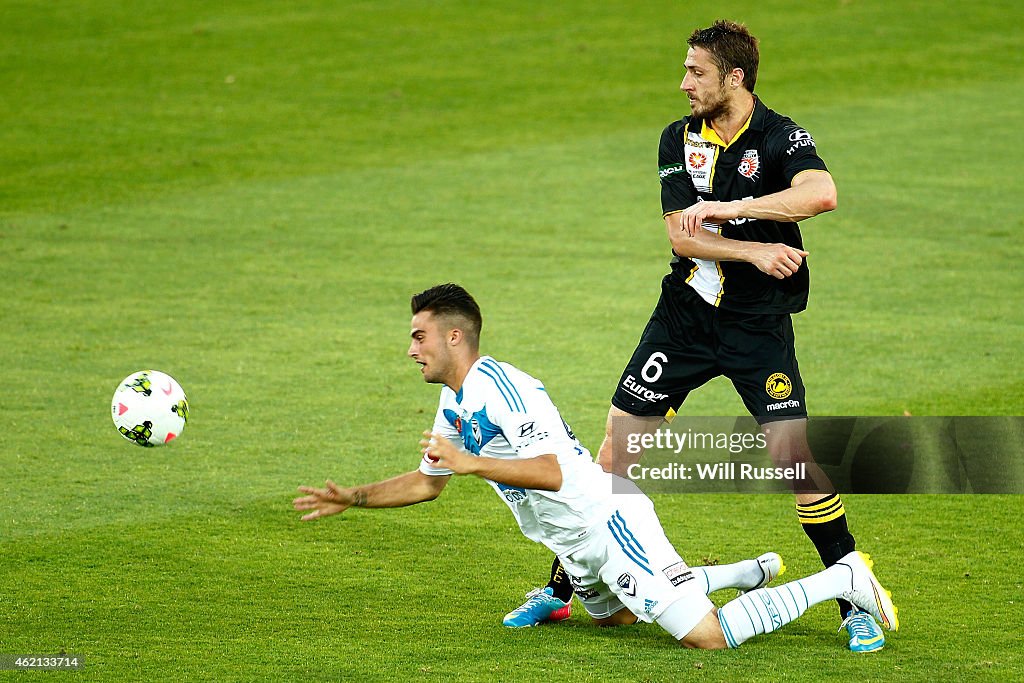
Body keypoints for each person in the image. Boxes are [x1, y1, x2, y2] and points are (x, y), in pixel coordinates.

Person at [510, 19, 886, 653]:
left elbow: (821, 195)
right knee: (614, 452)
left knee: (793, 458)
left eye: (696, 72)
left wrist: (735, 214)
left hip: (756, 326)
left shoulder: (779, 135)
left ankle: (852, 592)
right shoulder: (677, 138)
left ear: (732, 79)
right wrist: (755, 250)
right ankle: (566, 585)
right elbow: (681, 237)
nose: (684, 83)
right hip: (683, 319)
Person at [293, 283, 898, 650]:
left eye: (419, 336)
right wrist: (358, 498)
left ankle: (842, 580)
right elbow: (428, 482)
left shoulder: (505, 388)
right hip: (574, 542)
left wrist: (473, 463)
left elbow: (554, 471)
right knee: (619, 618)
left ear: (455, 338)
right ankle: (747, 572)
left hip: (605, 519)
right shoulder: (454, 399)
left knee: (705, 636)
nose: (411, 349)